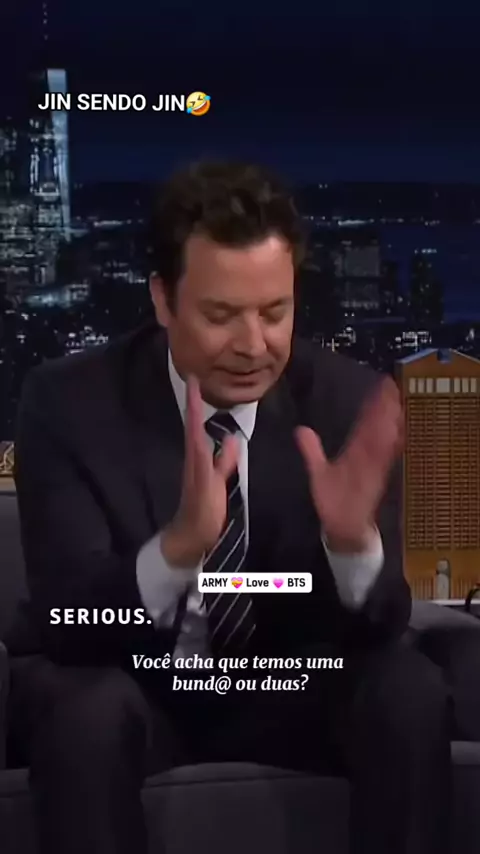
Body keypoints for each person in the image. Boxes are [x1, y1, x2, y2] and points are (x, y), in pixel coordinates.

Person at [8, 160, 452, 854]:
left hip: (293, 688)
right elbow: (68, 622)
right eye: (220, 316)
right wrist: (177, 550)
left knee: (408, 689)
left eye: (274, 312)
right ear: (163, 300)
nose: (253, 346)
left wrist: (351, 548)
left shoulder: (343, 401)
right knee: (84, 711)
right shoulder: (68, 403)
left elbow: (382, 622)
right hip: (138, 691)